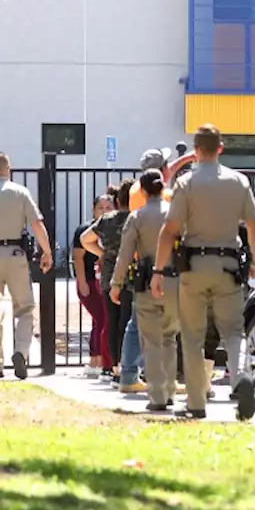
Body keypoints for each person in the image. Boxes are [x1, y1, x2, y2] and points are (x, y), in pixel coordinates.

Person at [153, 124, 255, 419]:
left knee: (192, 335)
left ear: (196, 152)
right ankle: (240, 378)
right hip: (229, 265)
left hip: (194, 266)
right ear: (221, 149)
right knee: (234, 330)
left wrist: (158, 271)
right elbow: (254, 225)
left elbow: (169, 230)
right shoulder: (238, 181)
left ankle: (197, 403)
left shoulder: (186, 183)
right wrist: (254, 260)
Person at [0, 152, 53, 380]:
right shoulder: (20, 192)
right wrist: (47, 251)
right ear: (9, 169)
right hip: (15, 254)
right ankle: (21, 352)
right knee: (24, 308)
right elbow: (36, 224)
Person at [112, 169, 180, 412]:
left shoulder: (136, 217)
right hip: (176, 283)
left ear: (141, 190)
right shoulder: (176, 215)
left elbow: (125, 254)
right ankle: (170, 389)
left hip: (147, 282)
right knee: (170, 338)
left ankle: (158, 394)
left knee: (150, 341)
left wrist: (116, 283)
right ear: (163, 189)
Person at [81, 178, 137, 387]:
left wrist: (103, 253)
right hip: (131, 276)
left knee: (112, 322)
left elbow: (86, 239)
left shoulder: (108, 220)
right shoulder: (135, 218)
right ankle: (129, 366)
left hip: (108, 275)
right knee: (128, 322)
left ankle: (114, 368)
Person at [74, 194, 114, 378]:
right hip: (90, 281)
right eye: (101, 207)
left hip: (108, 282)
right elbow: (78, 258)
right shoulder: (85, 230)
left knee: (102, 320)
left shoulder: (115, 229)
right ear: (93, 209)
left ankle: (97, 360)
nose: (104, 211)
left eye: (108, 207)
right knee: (102, 319)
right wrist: (82, 282)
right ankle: (97, 360)